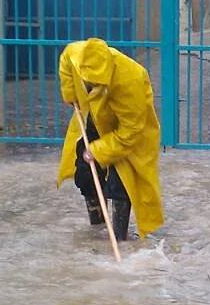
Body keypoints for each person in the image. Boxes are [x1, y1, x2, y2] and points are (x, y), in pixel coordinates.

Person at [56, 38, 164, 242]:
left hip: (131, 127)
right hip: (97, 116)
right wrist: (70, 93)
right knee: (85, 173)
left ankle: (118, 237)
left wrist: (98, 151)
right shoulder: (77, 54)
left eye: (94, 82)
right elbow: (65, 62)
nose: (89, 84)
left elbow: (130, 131)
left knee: (122, 180)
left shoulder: (130, 77)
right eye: (87, 80)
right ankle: (97, 229)